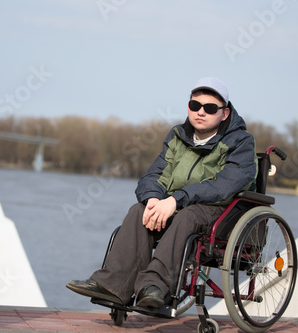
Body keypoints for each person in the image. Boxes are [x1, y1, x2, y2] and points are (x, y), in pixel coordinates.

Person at [67, 77, 257, 309]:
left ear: (225, 113)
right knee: (139, 210)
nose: (201, 112)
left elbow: (225, 185)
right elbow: (154, 175)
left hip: (220, 210)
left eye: (209, 108)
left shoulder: (241, 142)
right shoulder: (178, 136)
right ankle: (113, 286)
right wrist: (154, 199)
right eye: (195, 106)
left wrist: (177, 199)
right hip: (180, 203)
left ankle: (154, 286)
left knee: (189, 216)